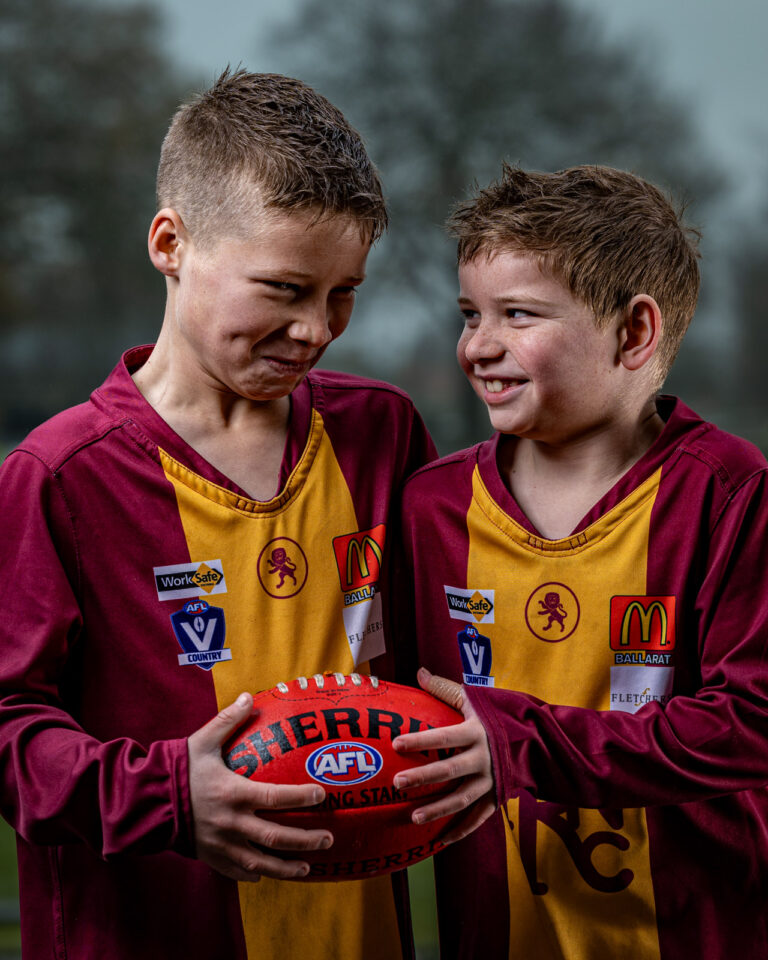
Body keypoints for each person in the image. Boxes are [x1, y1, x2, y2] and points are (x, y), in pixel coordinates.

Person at [0, 70, 435, 960]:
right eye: (282, 288)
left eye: (342, 292)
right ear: (171, 242)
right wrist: (172, 795)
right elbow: (9, 727)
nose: (316, 328)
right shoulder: (57, 475)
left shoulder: (382, 433)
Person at [390, 164, 768, 958]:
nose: (479, 346)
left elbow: (750, 724)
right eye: (470, 314)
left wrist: (516, 745)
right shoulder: (429, 508)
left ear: (634, 333)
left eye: (518, 314)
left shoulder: (731, 492)